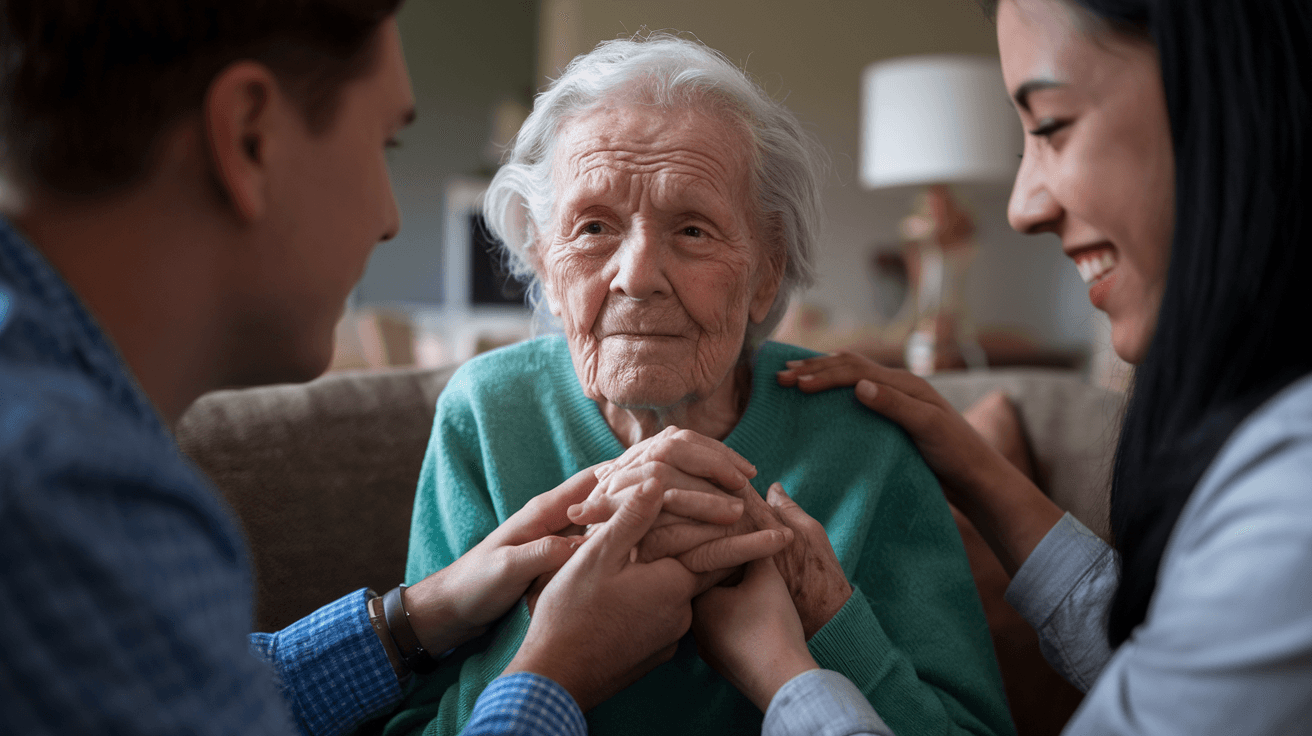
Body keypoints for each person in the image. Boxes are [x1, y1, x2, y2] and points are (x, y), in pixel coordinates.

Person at [0, 2, 782, 734]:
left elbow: (188, 686)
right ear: (249, 138)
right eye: (385, 144)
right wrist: (554, 675)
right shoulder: (71, 492)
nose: (390, 218)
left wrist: (416, 615)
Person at [700, 0, 1312, 733]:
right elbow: (1169, 668)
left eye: (1051, 126)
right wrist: (972, 465)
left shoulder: (1292, 494)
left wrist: (788, 674)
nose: (1022, 207)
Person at [389, 33, 1014, 736]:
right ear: (543, 259)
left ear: (766, 271)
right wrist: (548, 627)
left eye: (691, 229)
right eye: (593, 227)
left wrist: (830, 620)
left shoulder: (861, 436)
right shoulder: (488, 415)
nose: (636, 274)